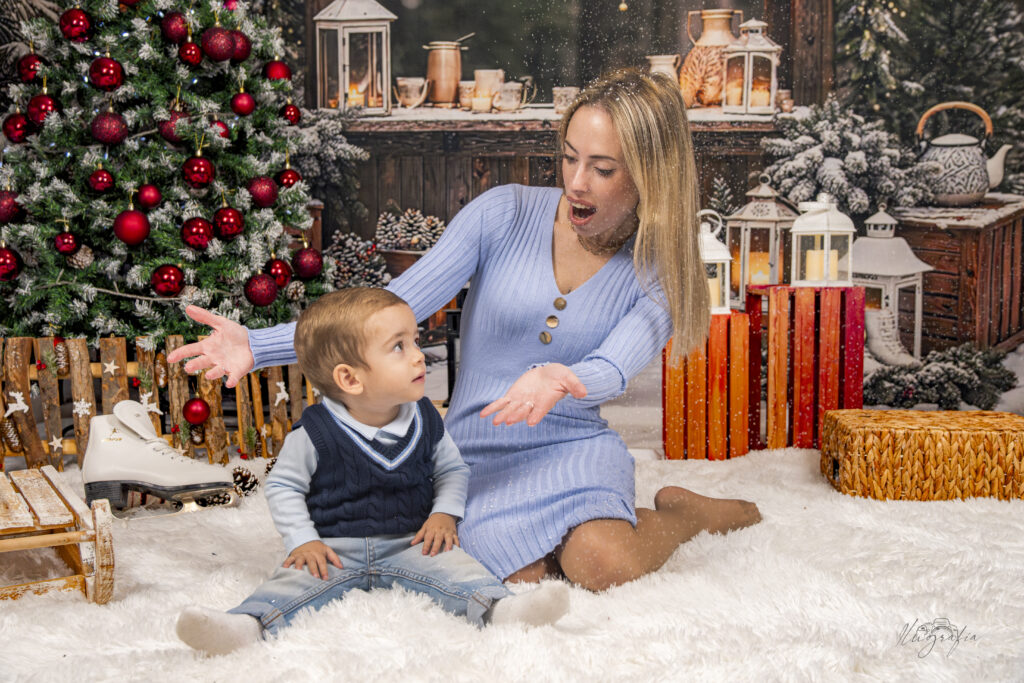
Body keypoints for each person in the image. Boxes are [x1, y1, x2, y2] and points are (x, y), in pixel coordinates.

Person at [168, 68, 761, 593]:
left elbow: (614, 364)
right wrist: (257, 343)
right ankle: (575, 531)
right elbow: (388, 308)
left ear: (648, 178)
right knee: (514, 576)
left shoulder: (657, 267)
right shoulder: (502, 214)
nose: (577, 181)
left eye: (602, 168)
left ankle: (686, 515)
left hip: (573, 448)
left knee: (599, 562)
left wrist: (562, 377)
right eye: (570, 156)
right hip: (473, 452)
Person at [175, 288, 569, 656]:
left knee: (459, 570)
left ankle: (501, 610)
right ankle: (247, 625)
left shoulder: (426, 418)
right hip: (333, 547)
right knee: (292, 584)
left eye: (415, 340)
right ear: (350, 378)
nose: (418, 355)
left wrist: (444, 513)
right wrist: (302, 541)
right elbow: (283, 486)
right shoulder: (316, 431)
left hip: (411, 542)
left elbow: (452, 469)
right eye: (399, 346)